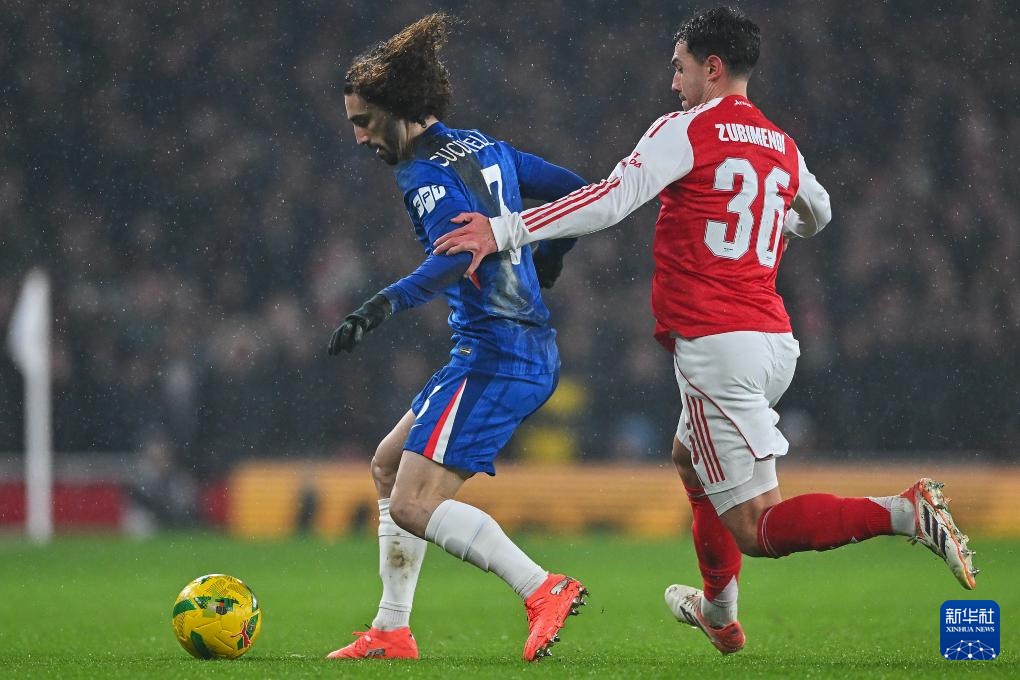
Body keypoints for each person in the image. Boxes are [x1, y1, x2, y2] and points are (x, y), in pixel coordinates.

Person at [434, 6, 978, 655]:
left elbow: (610, 199)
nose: (674, 83)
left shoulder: (686, 129)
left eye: (680, 67)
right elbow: (822, 211)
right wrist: (782, 223)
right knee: (689, 455)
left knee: (756, 527)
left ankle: (906, 512)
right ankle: (719, 613)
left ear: (712, 67)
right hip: (773, 343)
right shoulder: (780, 143)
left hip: (715, 347)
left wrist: (504, 230)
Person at [325, 13, 588, 662]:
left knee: (411, 505)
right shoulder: (482, 145)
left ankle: (542, 587)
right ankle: (391, 629)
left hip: (498, 356)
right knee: (388, 465)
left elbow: (453, 257)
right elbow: (578, 194)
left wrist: (381, 305)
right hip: (503, 349)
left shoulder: (422, 175)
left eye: (364, 121)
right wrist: (549, 255)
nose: (358, 136)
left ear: (397, 109)